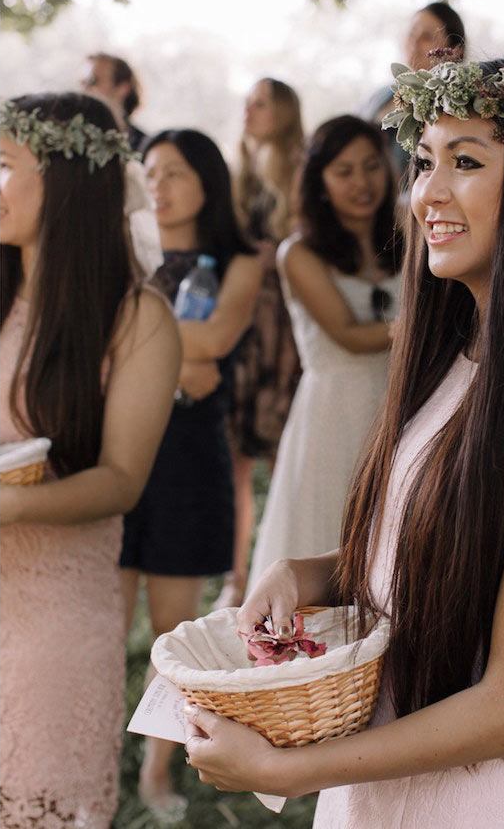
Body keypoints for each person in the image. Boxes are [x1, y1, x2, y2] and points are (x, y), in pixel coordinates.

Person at [181, 54, 504, 828]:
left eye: (467, 163)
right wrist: (305, 575)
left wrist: (286, 770)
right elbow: (439, 554)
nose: (427, 193)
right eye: (425, 161)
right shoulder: (457, 356)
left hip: (480, 803)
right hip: (377, 786)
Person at [0, 92, 180, 829]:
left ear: (66, 179)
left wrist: (7, 501)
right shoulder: (1, 293)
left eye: (5, 167)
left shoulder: (139, 317)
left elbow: (122, 480)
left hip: (58, 620)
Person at [118, 129, 263, 816]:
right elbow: (171, 351)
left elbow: (217, 342)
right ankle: (89, 749)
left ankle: (157, 769)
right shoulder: (127, 252)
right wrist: (181, 357)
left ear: (208, 180)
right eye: (151, 171)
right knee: (104, 621)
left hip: (187, 458)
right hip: (119, 446)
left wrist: (150, 349)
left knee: (173, 632)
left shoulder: (241, 259)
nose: (159, 184)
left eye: (174, 172)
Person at [246, 115, 401, 588]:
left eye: (371, 166)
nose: (362, 182)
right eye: (344, 171)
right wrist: (422, 326)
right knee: (327, 529)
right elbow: (348, 334)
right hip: (334, 412)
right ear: (319, 181)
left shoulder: (408, 233)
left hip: (402, 399)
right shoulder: (298, 253)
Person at [219, 79, 306, 609]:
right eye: (246, 101)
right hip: (243, 320)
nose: (248, 110)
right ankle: (234, 576)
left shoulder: (298, 165)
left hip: (286, 324)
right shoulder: (242, 171)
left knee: (281, 452)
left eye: (260, 103)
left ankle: (284, 566)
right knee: (234, 455)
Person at [363, 1, 467, 178]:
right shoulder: (380, 96)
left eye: (426, 37)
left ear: (455, 51)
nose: (414, 43)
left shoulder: (456, 107)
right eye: (411, 34)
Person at [84, 52, 148, 150]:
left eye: (93, 81)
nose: (85, 88)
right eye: (82, 82)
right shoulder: (71, 139)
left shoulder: (145, 146)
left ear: (123, 88)